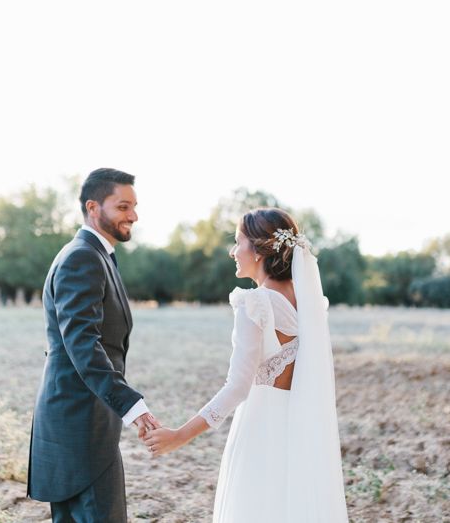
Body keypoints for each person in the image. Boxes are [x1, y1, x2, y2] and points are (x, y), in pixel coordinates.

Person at [143, 207, 348, 522]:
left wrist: (180, 435)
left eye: (238, 242)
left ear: (260, 249)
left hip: (260, 430)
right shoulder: (310, 304)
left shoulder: (255, 302)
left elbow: (237, 387)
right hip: (299, 429)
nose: (233, 251)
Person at [28, 168, 160, 523]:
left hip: (88, 422)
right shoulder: (81, 258)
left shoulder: (97, 256)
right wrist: (132, 406)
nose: (133, 215)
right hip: (78, 426)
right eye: (122, 206)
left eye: (134, 206)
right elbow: (83, 345)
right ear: (92, 206)